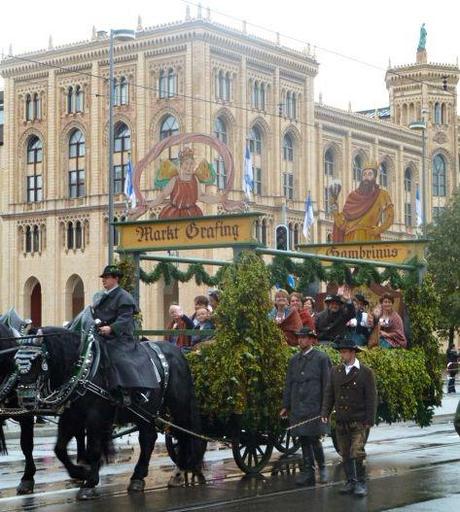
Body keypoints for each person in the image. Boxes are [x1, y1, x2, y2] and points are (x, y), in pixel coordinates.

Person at [93, 265, 159, 405]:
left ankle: (127, 392)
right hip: (101, 335)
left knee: (116, 357)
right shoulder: (103, 296)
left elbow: (124, 319)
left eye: (107, 277)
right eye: (103, 277)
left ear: (116, 278)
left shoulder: (124, 297)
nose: (104, 280)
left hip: (120, 338)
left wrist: (110, 328)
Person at [321, 334, 377, 497]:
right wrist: (325, 412)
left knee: (357, 452)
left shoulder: (365, 372)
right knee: (345, 452)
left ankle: (360, 482)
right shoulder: (335, 371)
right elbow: (329, 393)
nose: (342, 355)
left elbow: (371, 398)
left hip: (359, 420)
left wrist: (369, 420)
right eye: (341, 352)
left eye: (345, 352)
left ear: (353, 353)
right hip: (341, 420)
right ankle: (350, 481)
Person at [280, 328, 331, 486]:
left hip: (314, 405)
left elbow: (328, 384)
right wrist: (286, 405)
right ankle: (308, 472)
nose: (300, 340)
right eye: (299, 338)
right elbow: (289, 384)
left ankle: (322, 468)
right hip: (298, 405)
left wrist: (326, 408)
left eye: (304, 338)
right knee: (303, 438)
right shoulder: (294, 360)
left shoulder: (321, 358)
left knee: (314, 437)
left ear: (311, 340)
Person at [331, 161, 394, 242]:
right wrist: (333, 203)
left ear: (375, 176)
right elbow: (341, 222)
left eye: (370, 174)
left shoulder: (382, 194)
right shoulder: (352, 196)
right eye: (364, 174)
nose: (366, 177)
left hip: (370, 238)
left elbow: (390, 216)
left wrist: (379, 229)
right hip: (350, 239)